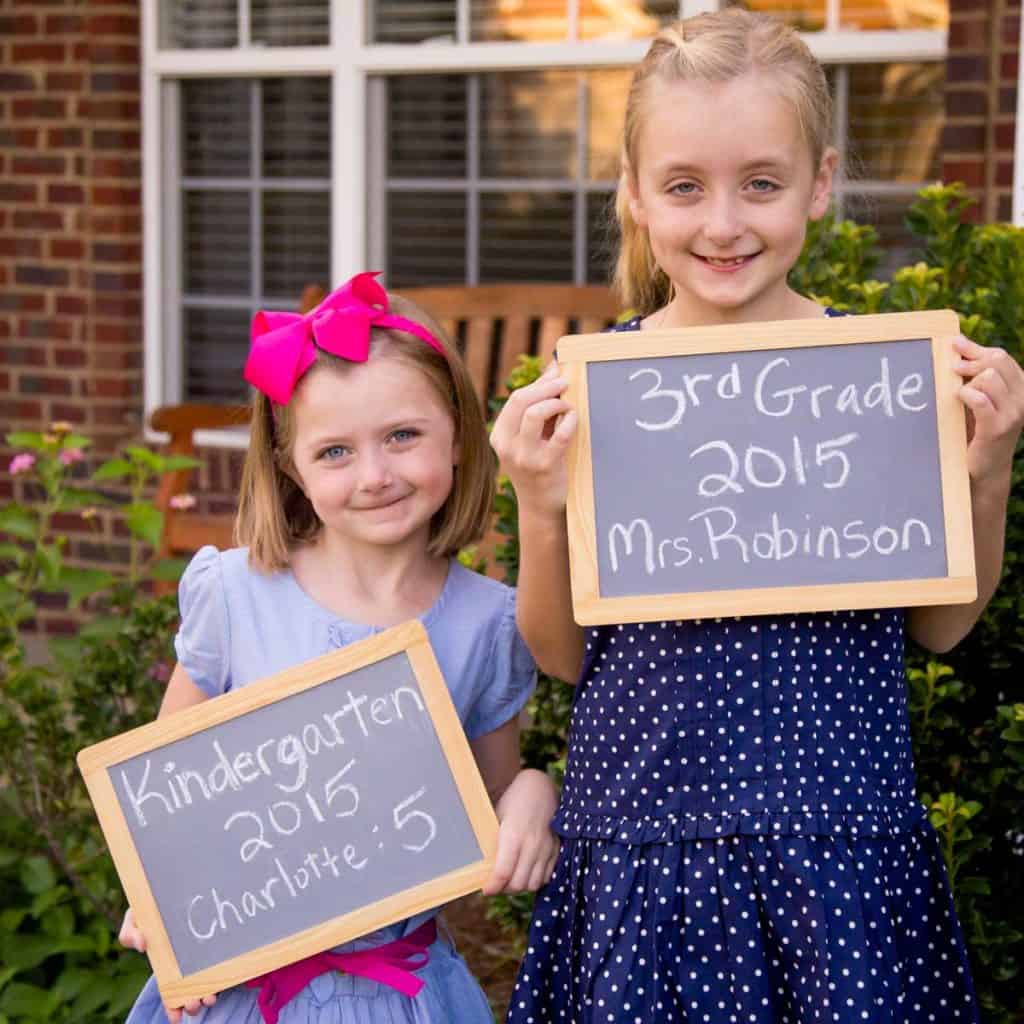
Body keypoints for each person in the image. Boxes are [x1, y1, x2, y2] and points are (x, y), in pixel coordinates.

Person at [492, 10, 1024, 1023]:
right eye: (684, 186)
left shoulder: (881, 378)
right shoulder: (600, 388)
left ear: (820, 184)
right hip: (646, 846)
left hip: (838, 850)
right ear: (635, 195)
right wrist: (539, 502)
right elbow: (561, 655)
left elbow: (942, 623)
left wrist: (985, 470)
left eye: (761, 183)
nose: (722, 223)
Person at [121, 271, 560, 1024]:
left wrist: (533, 795)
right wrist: (162, 907)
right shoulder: (236, 594)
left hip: (399, 993)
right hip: (235, 992)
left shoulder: (488, 625)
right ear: (291, 466)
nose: (375, 476)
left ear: (457, 432)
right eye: (335, 452)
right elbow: (162, 794)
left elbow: (486, 799)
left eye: (401, 435)